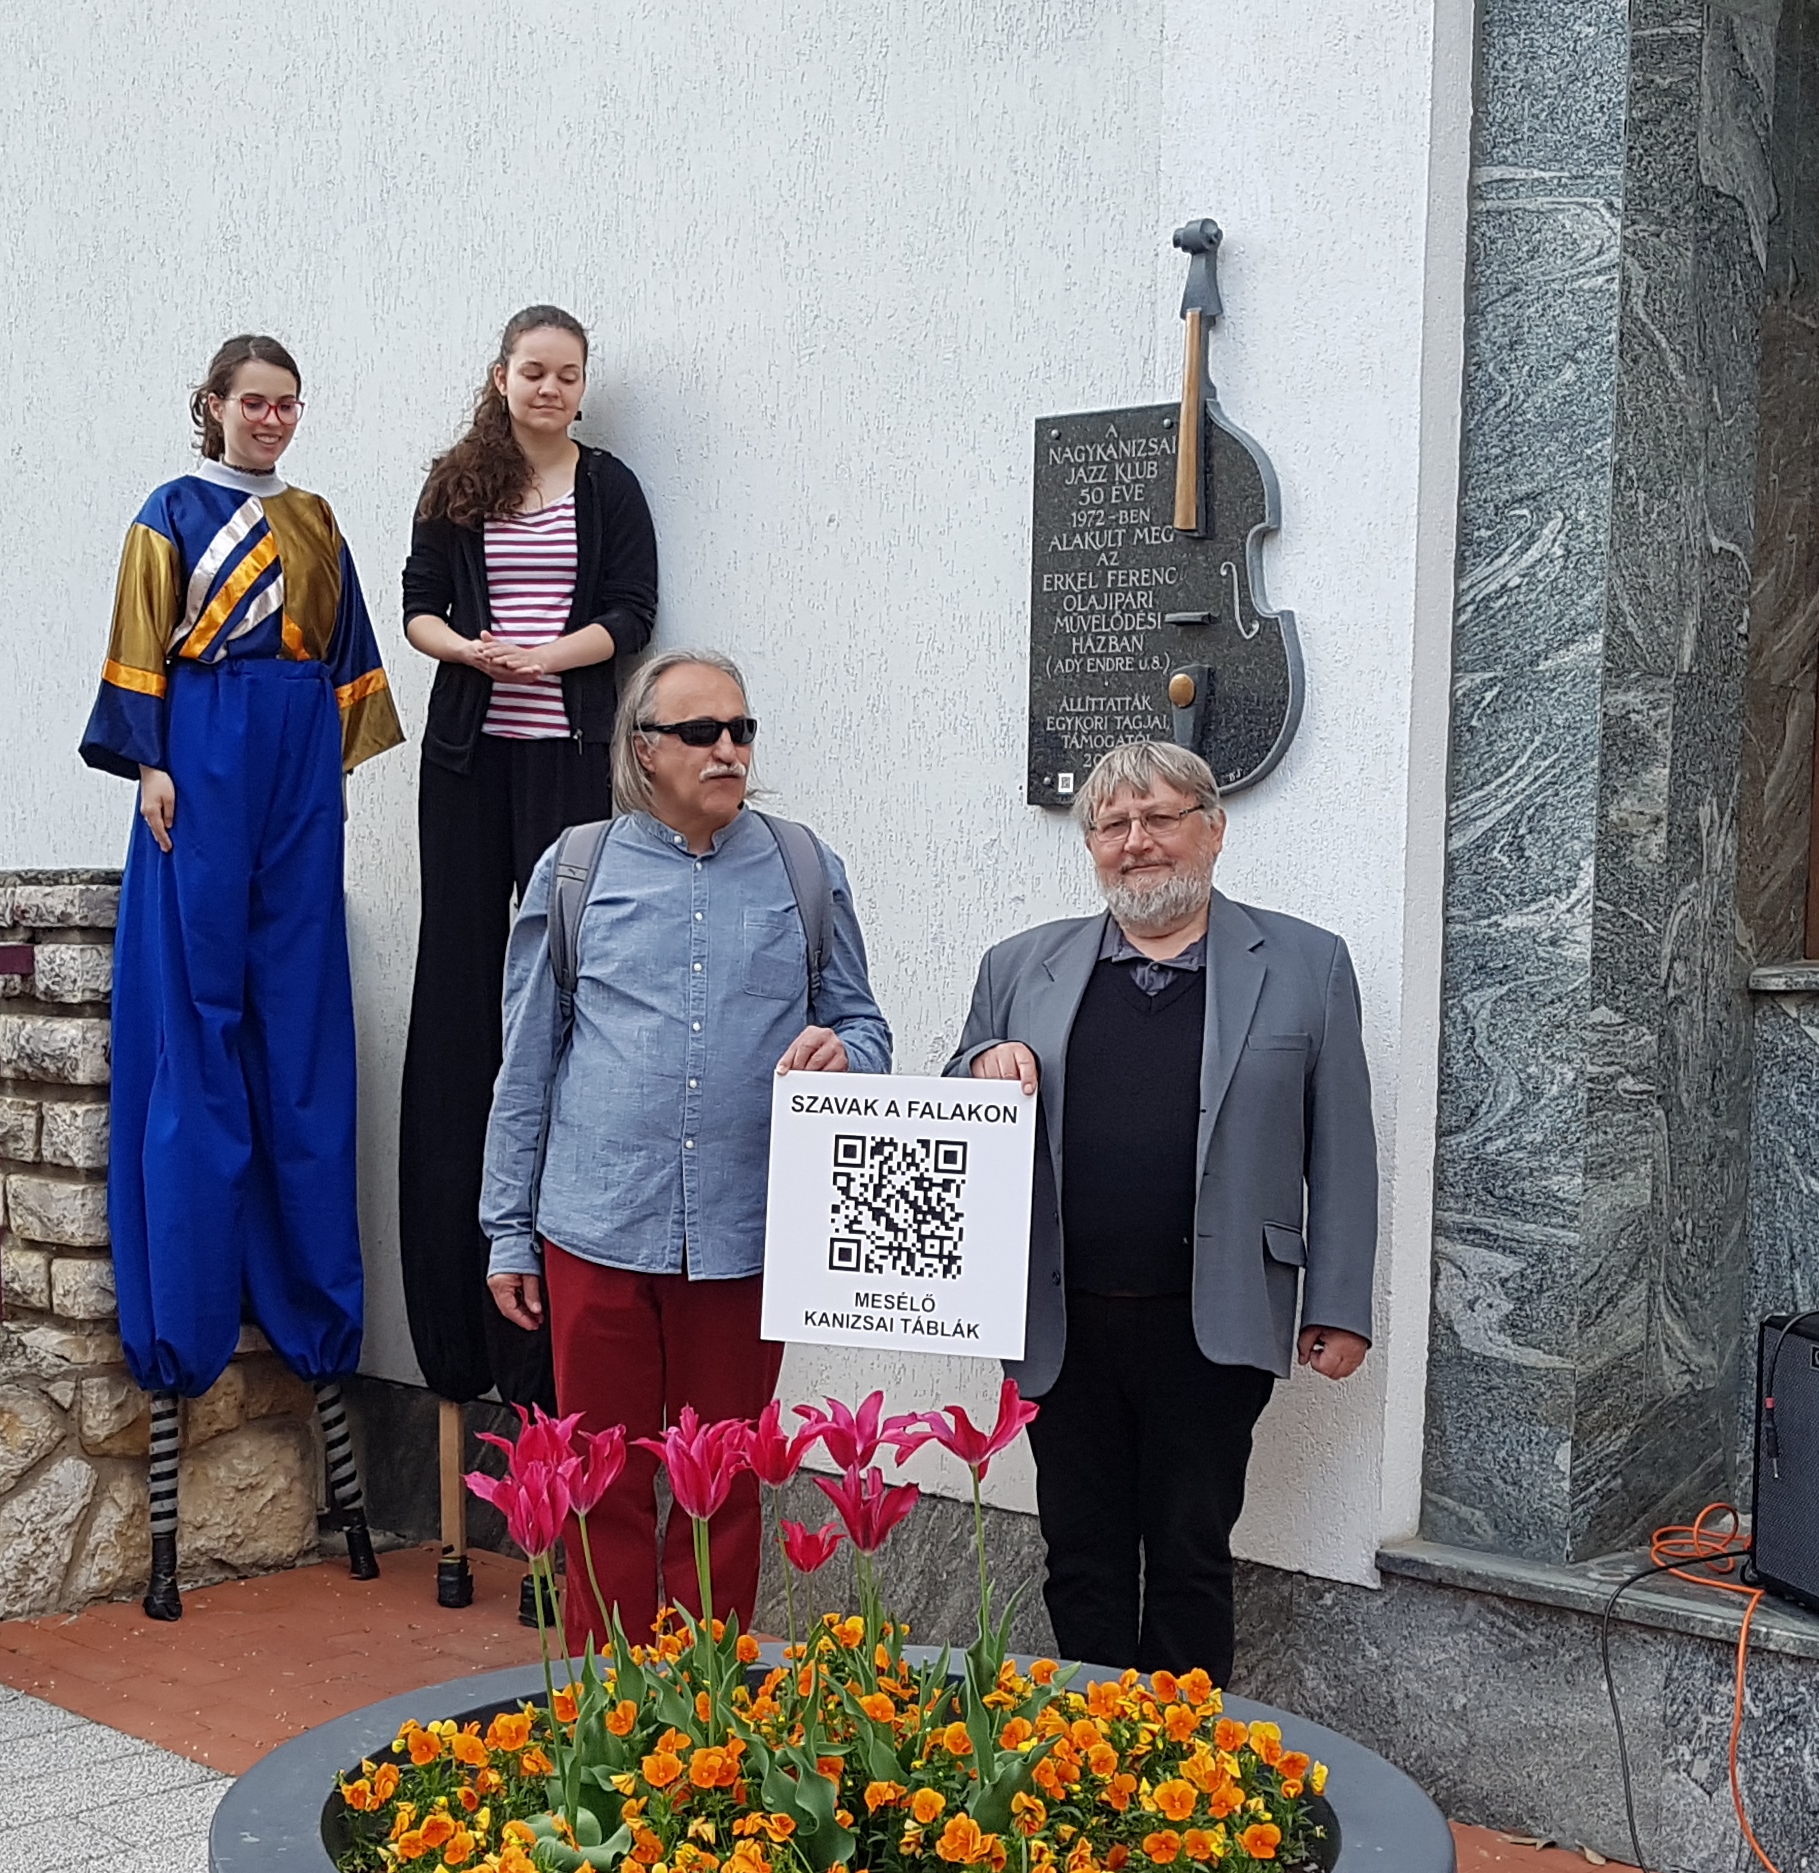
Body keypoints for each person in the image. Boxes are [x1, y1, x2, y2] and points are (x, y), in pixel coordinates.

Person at [83, 333, 407, 1617]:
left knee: (298, 1018)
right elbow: (141, 646)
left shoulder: (317, 520)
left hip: (295, 748)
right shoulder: (169, 511)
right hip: (204, 735)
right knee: (198, 1012)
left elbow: (351, 663)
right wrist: (154, 762)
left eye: (286, 403)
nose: (271, 419)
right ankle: (186, 1315)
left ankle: (314, 1307)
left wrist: (318, 774)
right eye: (252, 402)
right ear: (212, 407)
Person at [483, 650, 889, 1647]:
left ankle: (709, 1706)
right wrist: (507, 1231)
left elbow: (865, 1027)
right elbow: (524, 1063)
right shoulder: (576, 871)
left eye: (742, 731)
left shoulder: (804, 869)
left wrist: (846, 1052)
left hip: (747, 1237)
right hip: (597, 1229)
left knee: (727, 1488)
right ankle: (611, 1704)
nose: (729, 750)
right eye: (703, 732)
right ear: (643, 750)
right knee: (602, 1483)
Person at [951, 739, 1376, 1687]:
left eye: (1160, 818)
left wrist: (1339, 1303)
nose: (1136, 841)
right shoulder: (1018, 966)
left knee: (1191, 1556)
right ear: (1092, 846)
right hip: (1060, 1321)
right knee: (1080, 1555)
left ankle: (1183, 1756)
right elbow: (955, 1104)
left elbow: (1342, 1142)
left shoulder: (1306, 963)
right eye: (1113, 824)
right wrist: (981, 1064)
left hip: (1213, 1321)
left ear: (1213, 831)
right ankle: (1091, 1743)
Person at [397, 305, 658, 1421]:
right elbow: (417, 609)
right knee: (461, 988)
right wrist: (471, 650)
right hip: (468, 761)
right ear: (501, 376)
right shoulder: (457, 482)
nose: (549, 389)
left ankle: (553, 1269)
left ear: (583, 386)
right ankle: (455, 1306)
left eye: (567, 374)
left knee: (559, 983)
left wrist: (547, 658)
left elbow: (631, 614)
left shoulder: (610, 488)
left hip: (569, 758)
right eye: (533, 371)